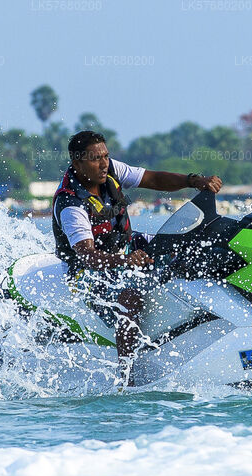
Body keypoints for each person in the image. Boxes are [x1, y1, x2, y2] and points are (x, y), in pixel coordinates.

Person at [51, 130, 222, 385]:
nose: (104, 163)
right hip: (87, 272)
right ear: (77, 164)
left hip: (127, 247)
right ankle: (127, 376)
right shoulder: (71, 204)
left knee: (192, 244)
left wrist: (193, 181)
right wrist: (126, 262)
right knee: (129, 297)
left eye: (106, 156)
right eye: (96, 159)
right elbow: (87, 256)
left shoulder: (110, 170)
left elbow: (152, 178)